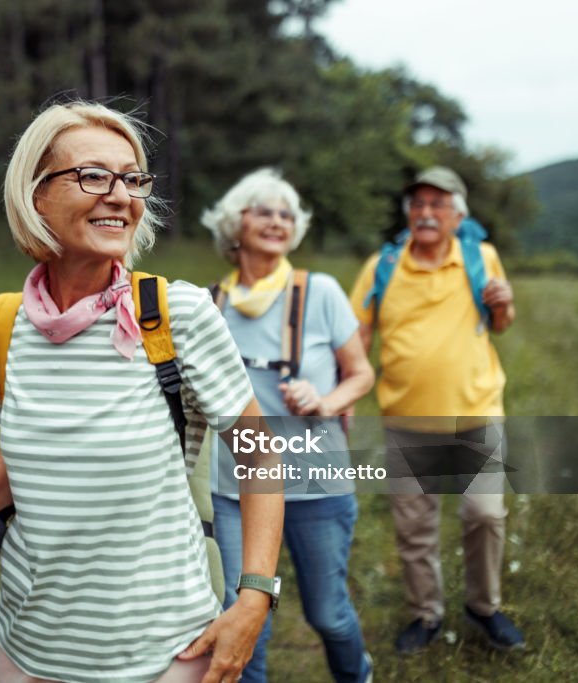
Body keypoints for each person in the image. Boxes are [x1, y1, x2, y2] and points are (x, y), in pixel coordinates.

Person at [0, 101, 284, 683]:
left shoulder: (179, 315)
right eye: (93, 176)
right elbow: (30, 453)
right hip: (29, 647)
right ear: (37, 195)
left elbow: (260, 456)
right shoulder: (4, 324)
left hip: (163, 653)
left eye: (132, 179)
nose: (120, 196)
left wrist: (256, 597)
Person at [201, 168, 375, 683]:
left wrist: (325, 401)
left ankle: (357, 675)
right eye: (264, 211)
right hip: (235, 488)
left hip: (315, 483)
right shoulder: (209, 304)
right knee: (243, 619)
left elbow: (361, 373)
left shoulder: (321, 292)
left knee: (328, 613)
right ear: (235, 224)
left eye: (286, 214)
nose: (277, 221)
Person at [347, 166, 525, 654]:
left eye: (438, 204)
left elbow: (501, 322)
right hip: (407, 419)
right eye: (419, 204)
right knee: (414, 528)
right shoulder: (382, 265)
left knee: (485, 515)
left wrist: (505, 303)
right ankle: (425, 614)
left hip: (476, 412)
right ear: (409, 213)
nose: (427, 213)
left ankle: (483, 607)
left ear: (458, 215)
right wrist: (346, 396)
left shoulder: (482, 256)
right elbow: (358, 335)